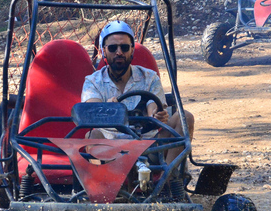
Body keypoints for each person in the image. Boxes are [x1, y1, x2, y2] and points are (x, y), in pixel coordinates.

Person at [81, 20, 194, 163]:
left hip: (148, 145)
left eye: (124, 47)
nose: (119, 52)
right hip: (110, 147)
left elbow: (153, 106)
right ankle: (105, 177)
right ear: (104, 50)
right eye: (113, 48)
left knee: (185, 117)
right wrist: (107, 108)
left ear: (132, 50)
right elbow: (92, 109)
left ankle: (170, 175)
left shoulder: (149, 77)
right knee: (92, 135)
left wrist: (156, 115)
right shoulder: (93, 81)